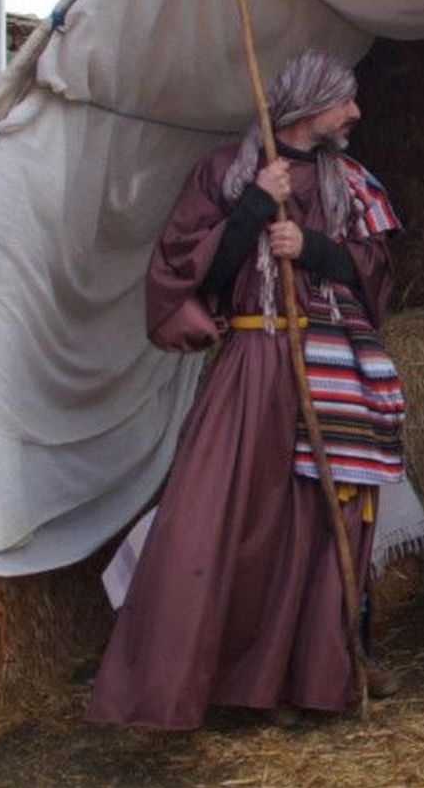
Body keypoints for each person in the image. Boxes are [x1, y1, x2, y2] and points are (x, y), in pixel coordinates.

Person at [86, 50, 405, 729]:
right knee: (219, 518)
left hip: (327, 366)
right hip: (255, 360)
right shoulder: (227, 173)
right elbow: (187, 274)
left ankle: (303, 679)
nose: (355, 112)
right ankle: (204, 683)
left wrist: (311, 247)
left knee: (315, 525)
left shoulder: (348, 181)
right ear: (310, 107)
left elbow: (377, 274)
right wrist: (256, 204)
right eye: (343, 100)